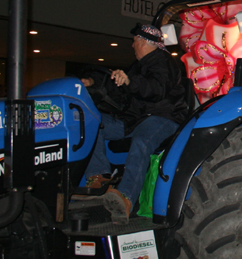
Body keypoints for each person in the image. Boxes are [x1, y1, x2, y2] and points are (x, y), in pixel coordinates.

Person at [73, 24, 188, 223]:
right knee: (91, 123)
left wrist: (130, 82)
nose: (132, 45)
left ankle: (125, 197)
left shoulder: (164, 63)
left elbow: (155, 89)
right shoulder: (137, 66)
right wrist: (93, 83)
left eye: (134, 40)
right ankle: (99, 178)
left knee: (142, 140)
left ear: (143, 41)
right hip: (135, 119)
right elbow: (120, 86)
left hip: (164, 117)